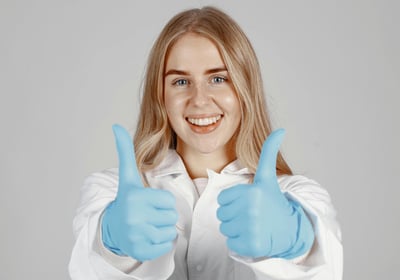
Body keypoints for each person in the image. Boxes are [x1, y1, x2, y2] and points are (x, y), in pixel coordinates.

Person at [69, 6, 343, 280]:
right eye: (180, 81)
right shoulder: (110, 193)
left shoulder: (297, 197)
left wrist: (295, 238)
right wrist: (112, 240)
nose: (199, 99)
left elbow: (325, 268)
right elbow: (87, 270)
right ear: (160, 95)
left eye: (218, 78)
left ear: (245, 89)